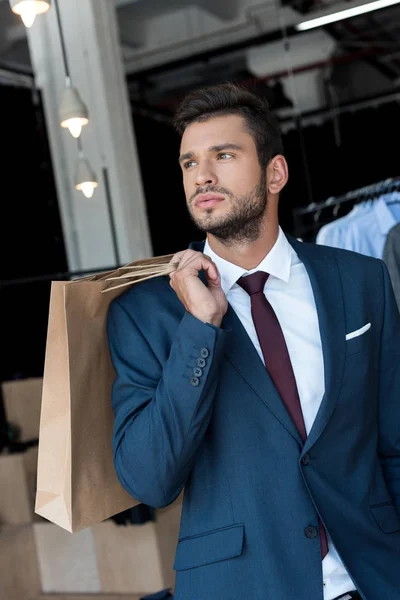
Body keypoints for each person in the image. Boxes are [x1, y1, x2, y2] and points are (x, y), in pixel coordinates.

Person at [107, 83, 400, 600]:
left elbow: (394, 443)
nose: (202, 175)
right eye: (189, 162)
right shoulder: (144, 314)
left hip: (373, 578)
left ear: (275, 173)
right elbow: (150, 480)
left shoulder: (362, 280)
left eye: (224, 155)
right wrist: (200, 329)